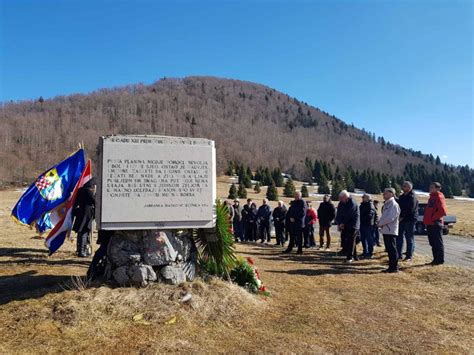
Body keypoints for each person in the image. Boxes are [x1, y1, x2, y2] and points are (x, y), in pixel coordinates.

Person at [423, 182, 448, 265]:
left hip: (435, 223)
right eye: (430, 187)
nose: (430, 188)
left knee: (437, 242)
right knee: (433, 243)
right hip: (430, 223)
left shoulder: (439, 197)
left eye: (432, 187)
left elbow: (443, 211)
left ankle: (440, 260)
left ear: (438, 188)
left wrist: (433, 218)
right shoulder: (431, 197)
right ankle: (435, 260)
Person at [378, 188, 401, 273]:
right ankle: (391, 266)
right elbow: (384, 216)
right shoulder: (387, 204)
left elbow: (390, 217)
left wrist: (380, 223)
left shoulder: (393, 204)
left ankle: (394, 267)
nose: (383, 194)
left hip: (390, 229)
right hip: (386, 229)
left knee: (392, 248)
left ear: (391, 194)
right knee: (389, 248)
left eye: (385, 193)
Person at [72, 178, 96, 257]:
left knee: (81, 231)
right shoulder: (88, 191)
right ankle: (82, 251)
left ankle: (80, 249)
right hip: (87, 213)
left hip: (80, 212)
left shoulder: (80, 190)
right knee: (84, 231)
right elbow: (95, 201)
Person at [335, 190, 360, 263]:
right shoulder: (341, 203)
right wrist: (339, 223)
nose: (340, 199)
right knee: (350, 241)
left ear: (345, 197)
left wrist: (343, 223)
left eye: (341, 198)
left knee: (351, 241)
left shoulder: (352, 203)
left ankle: (349, 257)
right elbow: (338, 213)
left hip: (353, 225)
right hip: (345, 225)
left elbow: (349, 214)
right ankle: (355, 256)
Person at [396, 181, 419, 261]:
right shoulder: (402, 196)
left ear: (409, 188)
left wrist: (402, 217)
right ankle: (398, 255)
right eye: (403, 185)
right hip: (401, 220)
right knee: (399, 237)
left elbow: (411, 209)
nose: (403, 187)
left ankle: (409, 255)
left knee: (409, 238)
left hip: (410, 220)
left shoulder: (412, 197)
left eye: (405, 186)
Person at [359, 193, 376, 259]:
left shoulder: (370, 205)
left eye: (364, 197)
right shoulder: (362, 205)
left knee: (369, 239)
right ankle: (365, 251)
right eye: (362, 197)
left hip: (368, 225)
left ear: (368, 198)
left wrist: (361, 218)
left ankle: (370, 253)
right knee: (363, 239)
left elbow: (370, 215)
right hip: (362, 224)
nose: (362, 198)